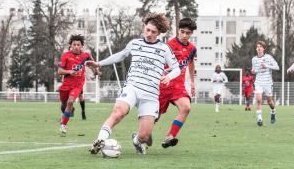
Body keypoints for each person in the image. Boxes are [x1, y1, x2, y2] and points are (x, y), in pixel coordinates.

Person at [87, 13, 180, 155]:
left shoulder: (164, 49)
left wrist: (169, 77)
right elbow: (120, 55)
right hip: (132, 87)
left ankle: (137, 141)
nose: (149, 34)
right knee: (119, 112)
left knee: (145, 136)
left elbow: (177, 69)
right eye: (147, 30)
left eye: (153, 32)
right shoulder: (135, 44)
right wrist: (99, 63)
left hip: (150, 94)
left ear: (159, 33)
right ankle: (100, 140)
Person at [157, 17, 197, 148]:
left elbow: (191, 63)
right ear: (178, 30)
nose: (185, 35)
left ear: (191, 33)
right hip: (163, 85)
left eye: (188, 33)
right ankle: (140, 136)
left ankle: (170, 136)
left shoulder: (192, 48)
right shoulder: (168, 45)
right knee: (154, 117)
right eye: (182, 31)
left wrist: (192, 81)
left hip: (178, 87)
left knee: (186, 107)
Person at [57, 35, 96, 135]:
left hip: (77, 85)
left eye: (78, 44)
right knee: (64, 105)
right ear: (70, 45)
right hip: (66, 85)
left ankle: (63, 125)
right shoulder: (66, 55)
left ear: (82, 46)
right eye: (74, 44)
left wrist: (96, 71)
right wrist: (70, 71)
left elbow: (92, 64)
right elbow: (59, 71)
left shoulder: (86, 56)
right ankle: (68, 111)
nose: (76, 46)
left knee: (70, 101)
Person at [251, 41, 279, 126]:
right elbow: (255, 70)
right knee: (258, 100)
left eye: (260, 47)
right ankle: (259, 119)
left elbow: (277, 67)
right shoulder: (254, 59)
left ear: (264, 48)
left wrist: (266, 65)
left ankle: (273, 111)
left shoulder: (268, 57)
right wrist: (253, 71)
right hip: (258, 82)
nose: (259, 48)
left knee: (269, 102)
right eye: (257, 47)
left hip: (267, 83)